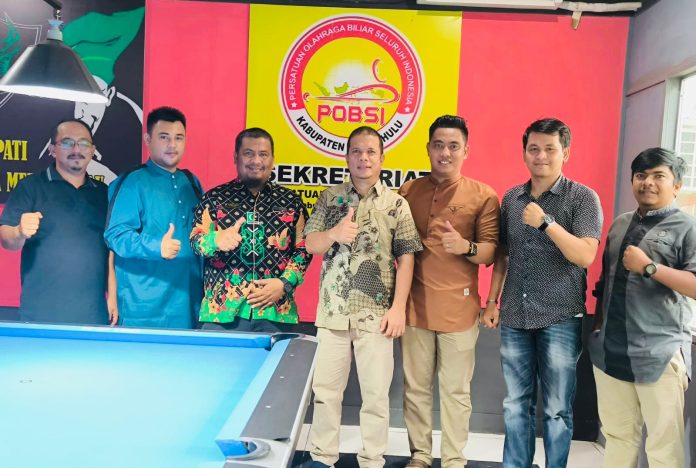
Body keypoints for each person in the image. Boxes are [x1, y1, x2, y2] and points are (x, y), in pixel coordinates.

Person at [482, 118, 603, 468]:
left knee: (556, 410)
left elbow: (585, 255)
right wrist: (492, 301)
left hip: (560, 317)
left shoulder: (583, 198)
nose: (541, 156)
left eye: (550, 149)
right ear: (524, 153)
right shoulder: (512, 198)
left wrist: (546, 223)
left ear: (565, 153)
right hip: (515, 316)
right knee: (515, 405)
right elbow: (503, 254)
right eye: (534, 149)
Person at [304, 126, 422, 468]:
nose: (363, 158)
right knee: (325, 393)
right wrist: (334, 233)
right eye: (356, 151)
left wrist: (398, 308)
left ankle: (372, 459)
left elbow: (407, 258)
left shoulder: (396, 204)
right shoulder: (330, 198)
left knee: (375, 397)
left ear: (382, 158)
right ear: (347, 157)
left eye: (371, 152)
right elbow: (310, 244)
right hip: (333, 312)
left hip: (378, 315)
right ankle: (322, 456)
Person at [398, 115, 500, 468]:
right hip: (414, 308)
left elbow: (491, 252)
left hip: (460, 311)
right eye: (439, 145)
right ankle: (420, 455)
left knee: (456, 392)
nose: (445, 153)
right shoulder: (408, 191)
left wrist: (465, 247)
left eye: (454, 146)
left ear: (466, 151)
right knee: (415, 389)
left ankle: (454, 459)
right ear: (428, 148)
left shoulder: (483, 195)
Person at [589, 148, 695, 468]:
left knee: (664, 448)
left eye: (658, 176)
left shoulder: (687, 227)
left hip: (659, 354)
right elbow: (604, 284)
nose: (648, 182)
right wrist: (597, 329)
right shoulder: (620, 223)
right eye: (641, 175)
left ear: (676, 185)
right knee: (618, 437)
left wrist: (649, 268)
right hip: (611, 351)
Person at [189, 127, 311, 332]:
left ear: (272, 159)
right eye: (248, 153)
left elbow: (304, 248)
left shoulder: (291, 201)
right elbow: (195, 240)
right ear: (236, 157)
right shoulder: (214, 199)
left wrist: (285, 283)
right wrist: (215, 240)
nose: (256, 161)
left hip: (276, 311)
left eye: (263, 154)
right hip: (222, 313)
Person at [0, 119, 114, 325]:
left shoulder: (104, 193)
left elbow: (112, 252)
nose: (76, 150)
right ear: (52, 149)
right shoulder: (31, 187)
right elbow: (7, 240)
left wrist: (113, 296)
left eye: (83, 143)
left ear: (92, 150)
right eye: (67, 143)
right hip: (40, 314)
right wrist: (19, 231)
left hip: (93, 315)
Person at [104, 106, 203, 328]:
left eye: (179, 138)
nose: (172, 144)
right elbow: (115, 236)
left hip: (189, 303)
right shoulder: (132, 182)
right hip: (144, 307)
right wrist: (157, 247)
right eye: (164, 137)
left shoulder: (191, 182)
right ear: (148, 139)